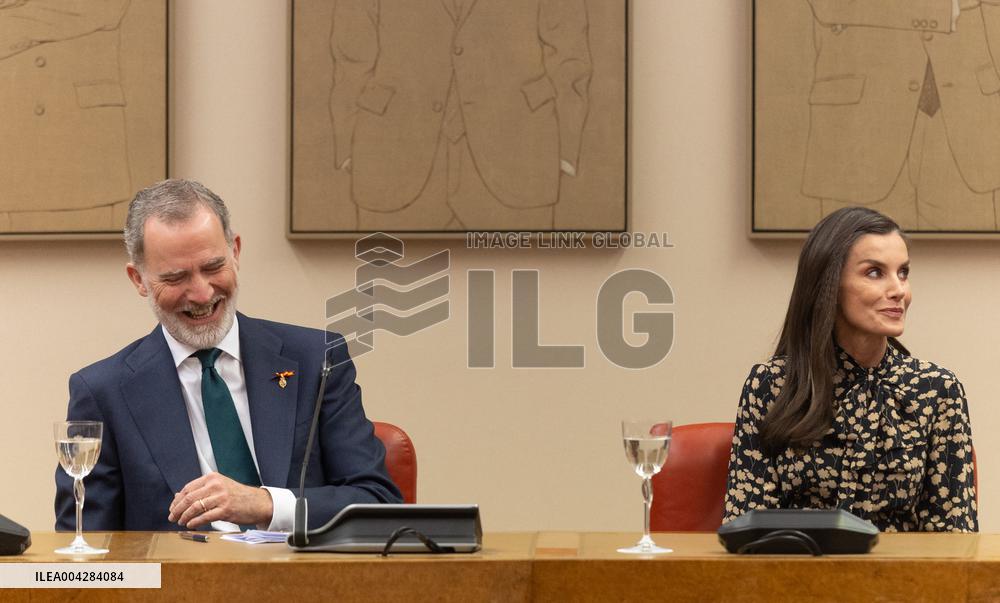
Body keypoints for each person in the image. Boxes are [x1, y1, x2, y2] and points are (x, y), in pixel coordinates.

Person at [55, 179, 401, 532]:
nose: (202, 293)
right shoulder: (103, 393)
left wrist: (266, 505)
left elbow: (377, 503)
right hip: (176, 585)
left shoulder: (318, 361)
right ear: (139, 279)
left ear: (235, 252)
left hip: (303, 581)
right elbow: (86, 552)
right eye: (176, 277)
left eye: (212, 267)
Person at [724, 207, 977, 532]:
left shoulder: (937, 390)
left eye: (903, 272)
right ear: (828, 284)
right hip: (795, 578)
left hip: (904, 580)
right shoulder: (771, 384)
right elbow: (745, 527)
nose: (899, 290)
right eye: (874, 272)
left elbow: (954, 535)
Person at [329, 0, 592, 230]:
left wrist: (566, 145)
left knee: (530, 280)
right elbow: (351, 54)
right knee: (383, 283)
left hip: (519, 154)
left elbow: (569, 52)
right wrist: (348, 141)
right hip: (394, 155)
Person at [802, 0, 1000, 230]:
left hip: (967, 117)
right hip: (862, 125)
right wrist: (941, 9)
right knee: (854, 256)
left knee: (967, 262)